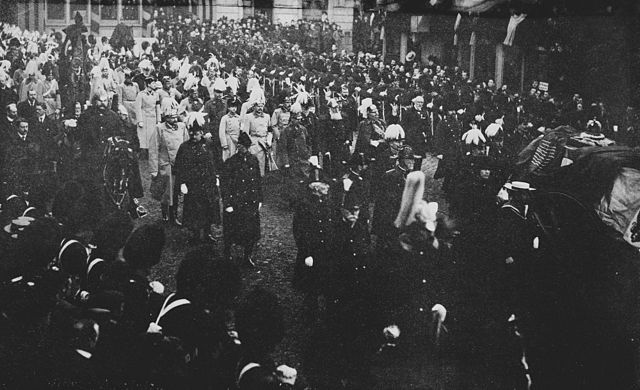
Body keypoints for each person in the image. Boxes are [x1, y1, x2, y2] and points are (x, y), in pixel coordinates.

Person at [174, 116, 219, 243]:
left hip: (208, 182)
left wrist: (216, 176)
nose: (194, 137)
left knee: (209, 208)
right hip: (193, 184)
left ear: (202, 133)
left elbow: (215, 161)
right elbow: (179, 166)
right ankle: (194, 234)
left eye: (197, 134)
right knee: (194, 210)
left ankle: (207, 233)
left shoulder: (208, 145)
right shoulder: (184, 147)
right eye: (191, 134)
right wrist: (182, 182)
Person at [221, 132, 262, 266]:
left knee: (250, 232)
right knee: (231, 230)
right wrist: (227, 203)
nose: (242, 148)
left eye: (244, 146)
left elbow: (257, 180)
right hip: (235, 202)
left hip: (250, 202)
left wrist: (259, 199)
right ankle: (227, 254)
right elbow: (225, 184)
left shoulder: (253, 160)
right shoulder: (231, 162)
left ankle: (247, 256)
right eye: (240, 146)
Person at [149, 106, 189, 225]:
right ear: (166, 118)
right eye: (171, 117)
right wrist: (154, 169)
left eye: (175, 116)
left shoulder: (182, 127)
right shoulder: (159, 128)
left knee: (177, 190)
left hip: (179, 164)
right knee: (167, 192)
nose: (174, 119)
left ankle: (174, 214)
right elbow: (153, 149)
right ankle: (165, 213)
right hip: (166, 164)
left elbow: (186, 144)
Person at [243, 100, 272, 177]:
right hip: (254, 144)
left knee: (267, 166)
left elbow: (269, 131)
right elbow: (245, 133)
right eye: (258, 106)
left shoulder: (267, 116)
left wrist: (269, 140)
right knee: (255, 165)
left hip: (265, 144)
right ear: (254, 106)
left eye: (261, 106)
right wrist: (251, 144)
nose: (260, 108)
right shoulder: (248, 117)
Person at [135, 78, 161, 159]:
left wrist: (159, 120)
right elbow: (138, 108)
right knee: (144, 138)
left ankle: (152, 154)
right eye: (153, 83)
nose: (155, 85)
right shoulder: (141, 94)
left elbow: (157, 107)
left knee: (152, 137)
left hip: (153, 118)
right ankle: (144, 155)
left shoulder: (156, 94)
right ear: (148, 84)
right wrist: (140, 120)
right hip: (144, 118)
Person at [219, 96, 242, 162]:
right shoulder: (225, 118)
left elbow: (241, 129)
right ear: (228, 107)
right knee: (229, 157)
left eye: (235, 107)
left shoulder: (239, 118)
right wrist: (224, 144)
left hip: (237, 140)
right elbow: (222, 132)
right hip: (229, 140)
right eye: (232, 107)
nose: (234, 109)